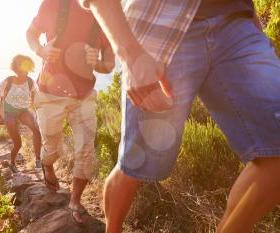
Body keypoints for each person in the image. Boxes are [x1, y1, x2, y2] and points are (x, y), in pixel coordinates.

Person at [80, 0, 280, 232]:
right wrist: (132, 56)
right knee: (136, 163)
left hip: (237, 25)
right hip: (162, 28)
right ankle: (112, 229)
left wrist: (256, 29)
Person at [26, 0, 115, 225]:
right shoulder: (53, 4)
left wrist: (98, 64)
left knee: (86, 149)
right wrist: (41, 50)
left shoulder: (104, 13)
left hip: (83, 96)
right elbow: (31, 32)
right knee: (52, 146)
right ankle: (47, 163)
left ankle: (75, 201)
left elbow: (110, 63)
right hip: (49, 95)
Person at [0, 55, 42, 173]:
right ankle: (12, 162)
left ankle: (38, 160)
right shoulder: (8, 81)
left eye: (25, 70)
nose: (23, 73)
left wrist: (38, 113)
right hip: (9, 112)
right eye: (20, 70)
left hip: (23, 110)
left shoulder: (31, 82)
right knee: (18, 143)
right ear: (15, 69)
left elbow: (35, 99)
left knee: (36, 131)